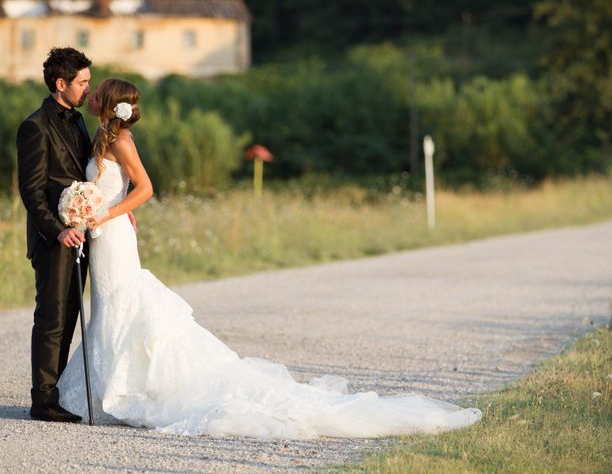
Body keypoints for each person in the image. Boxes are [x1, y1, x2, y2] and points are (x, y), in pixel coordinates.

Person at [58, 78, 482, 437]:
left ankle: (134, 387)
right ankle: (108, 385)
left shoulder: (124, 141)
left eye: (99, 92)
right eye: (90, 89)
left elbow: (145, 189)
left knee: (122, 301)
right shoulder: (101, 138)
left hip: (111, 233)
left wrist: (106, 213)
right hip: (104, 236)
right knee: (109, 306)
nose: (91, 93)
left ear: (111, 105)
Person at [16, 47, 93, 423]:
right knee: (51, 317)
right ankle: (42, 400)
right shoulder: (34, 126)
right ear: (60, 84)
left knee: (71, 314)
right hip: (53, 237)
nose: (87, 90)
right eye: (82, 83)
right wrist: (58, 231)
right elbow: (31, 191)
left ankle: (57, 392)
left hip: (81, 233)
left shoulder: (78, 121)